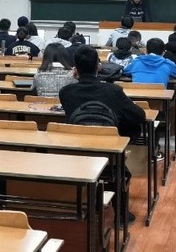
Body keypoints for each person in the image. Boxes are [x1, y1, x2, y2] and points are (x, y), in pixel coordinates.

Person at [59, 45, 145, 224]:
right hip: (107, 154)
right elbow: (139, 116)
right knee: (118, 168)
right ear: (98, 66)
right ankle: (122, 216)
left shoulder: (66, 93)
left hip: (76, 151)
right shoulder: (113, 91)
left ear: (75, 68)